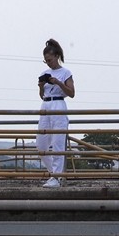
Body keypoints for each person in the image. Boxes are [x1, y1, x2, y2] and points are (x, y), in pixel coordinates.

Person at [37, 38, 75, 188]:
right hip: (45, 104)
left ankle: (57, 177)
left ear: (56, 56)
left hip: (59, 103)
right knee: (41, 145)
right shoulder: (44, 72)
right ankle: (54, 174)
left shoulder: (66, 72)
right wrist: (41, 86)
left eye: (50, 60)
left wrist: (58, 82)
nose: (48, 63)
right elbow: (41, 95)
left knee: (58, 143)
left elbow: (71, 93)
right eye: (46, 61)